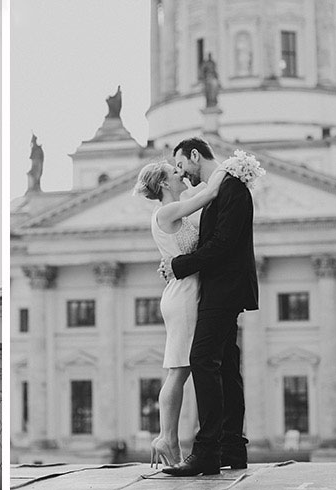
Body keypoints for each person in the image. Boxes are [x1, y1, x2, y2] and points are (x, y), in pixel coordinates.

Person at [160, 137, 258, 477]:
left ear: (195, 155)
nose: (182, 174)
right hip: (222, 286)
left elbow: (222, 245)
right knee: (227, 366)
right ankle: (232, 448)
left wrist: (179, 265)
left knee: (203, 359)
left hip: (223, 288)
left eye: (181, 165)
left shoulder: (231, 189)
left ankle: (206, 452)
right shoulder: (227, 187)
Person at [134, 159, 226, 469]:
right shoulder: (166, 211)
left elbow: (199, 191)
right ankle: (166, 437)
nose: (181, 172)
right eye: (176, 172)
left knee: (183, 367)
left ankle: (168, 438)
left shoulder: (176, 206)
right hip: (183, 296)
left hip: (186, 290)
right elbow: (209, 193)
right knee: (179, 369)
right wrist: (232, 167)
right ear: (163, 184)